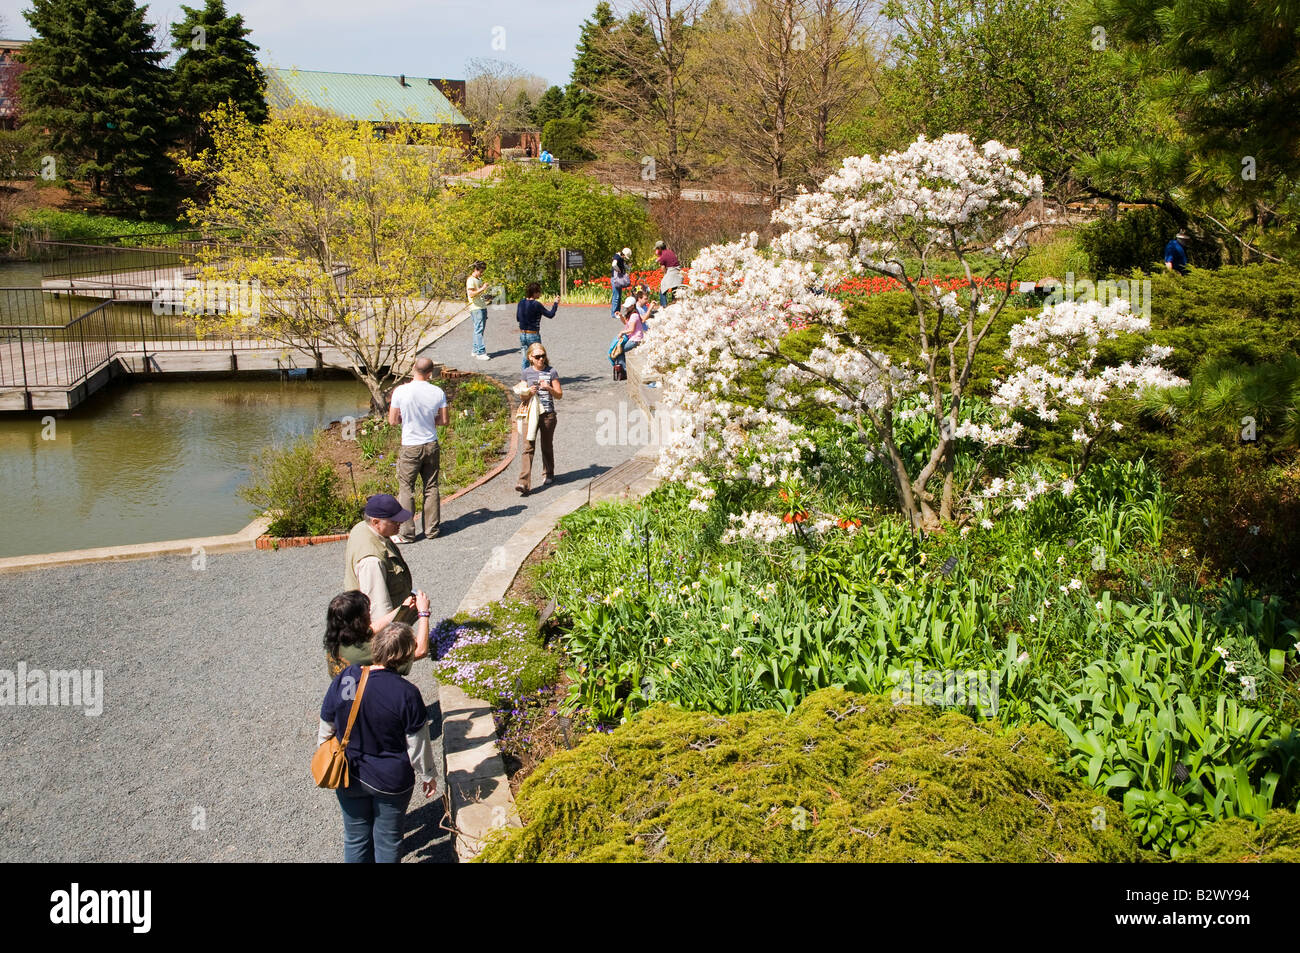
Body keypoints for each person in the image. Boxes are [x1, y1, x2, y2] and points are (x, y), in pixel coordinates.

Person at [319, 622, 438, 863]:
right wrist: (428, 775)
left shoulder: (347, 677)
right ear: (406, 656)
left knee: (355, 838)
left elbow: (326, 724)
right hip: (391, 780)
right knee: (387, 841)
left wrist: (325, 750)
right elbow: (417, 745)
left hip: (349, 773)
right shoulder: (406, 693)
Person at [388, 358, 449, 543]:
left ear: (414, 368)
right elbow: (444, 420)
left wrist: (404, 421)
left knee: (406, 488)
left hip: (410, 445)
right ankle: (432, 529)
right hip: (430, 443)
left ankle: (406, 533)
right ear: (431, 372)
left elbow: (392, 420)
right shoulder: (438, 392)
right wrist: (432, 421)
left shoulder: (401, 391)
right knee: (431, 487)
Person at [344, 495, 420, 627]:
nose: (399, 524)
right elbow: (380, 611)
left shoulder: (362, 527)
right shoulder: (372, 562)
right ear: (375, 522)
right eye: (394, 521)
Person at [323, 589, 431, 678]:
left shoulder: (338, 636)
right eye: (367, 612)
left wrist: (403, 608)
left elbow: (373, 628)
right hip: (370, 701)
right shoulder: (366, 651)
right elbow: (420, 651)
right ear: (359, 621)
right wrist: (423, 612)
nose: (369, 615)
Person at [514, 343, 562, 496]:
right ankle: (523, 482)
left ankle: (548, 473)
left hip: (548, 415)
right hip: (531, 414)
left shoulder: (551, 371)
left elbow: (559, 394)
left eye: (543, 356)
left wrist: (548, 388)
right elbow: (521, 395)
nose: (541, 359)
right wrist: (528, 391)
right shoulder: (526, 373)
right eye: (537, 357)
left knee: (546, 445)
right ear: (530, 358)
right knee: (528, 447)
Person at [516, 281, 560, 372]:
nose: (540, 293)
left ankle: (525, 377)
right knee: (539, 356)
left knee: (526, 358)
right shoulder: (536, 304)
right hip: (533, 334)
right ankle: (542, 376)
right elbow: (550, 314)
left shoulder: (521, 302)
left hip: (522, 334)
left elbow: (518, 318)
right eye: (539, 292)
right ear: (535, 292)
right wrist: (555, 303)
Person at [608, 297, 646, 380]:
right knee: (620, 351)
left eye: (628, 306)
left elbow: (631, 329)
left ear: (632, 306)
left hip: (636, 339)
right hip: (633, 338)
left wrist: (622, 332)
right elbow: (626, 323)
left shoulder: (634, 315)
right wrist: (621, 316)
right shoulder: (632, 314)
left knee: (620, 351)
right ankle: (623, 370)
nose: (626, 308)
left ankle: (625, 371)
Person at [466, 261, 490, 360]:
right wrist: (483, 288)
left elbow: (478, 294)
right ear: (476, 269)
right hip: (476, 308)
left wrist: (486, 297)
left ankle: (475, 350)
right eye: (481, 271)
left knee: (479, 330)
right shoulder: (470, 280)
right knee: (479, 330)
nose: (482, 273)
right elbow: (471, 294)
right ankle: (480, 352)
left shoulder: (478, 279)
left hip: (481, 306)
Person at [655, 240, 683, 306]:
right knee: (674, 289)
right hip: (677, 272)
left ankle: (664, 307)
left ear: (659, 248)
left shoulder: (663, 255)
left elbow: (663, 268)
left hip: (672, 271)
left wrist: (665, 275)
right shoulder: (670, 252)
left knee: (663, 289)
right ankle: (676, 303)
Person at [611, 247, 632, 317]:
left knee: (618, 296)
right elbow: (614, 264)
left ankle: (617, 312)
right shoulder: (617, 257)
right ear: (623, 254)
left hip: (618, 279)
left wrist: (627, 267)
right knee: (616, 296)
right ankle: (614, 313)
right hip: (615, 279)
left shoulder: (620, 257)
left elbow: (623, 265)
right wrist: (618, 270)